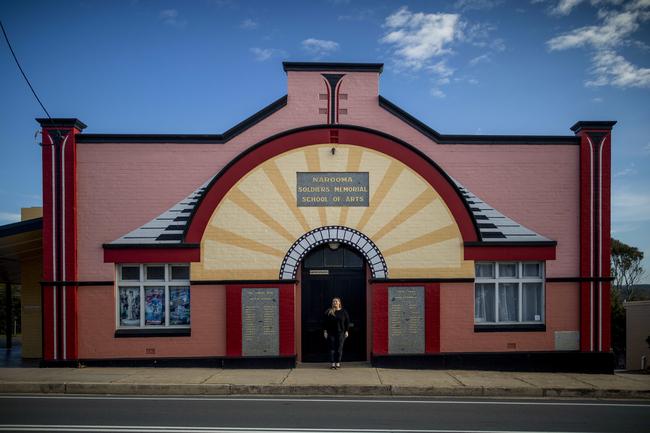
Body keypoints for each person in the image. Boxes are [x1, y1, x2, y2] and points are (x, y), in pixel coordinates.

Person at [323, 297, 350, 369]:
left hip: (341, 333)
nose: (334, 302)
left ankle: (338, 362)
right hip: (331, 333)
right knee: (332, 348)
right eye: (333, 301)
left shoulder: (344, 312)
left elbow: (347, 322)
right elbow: (325, 322)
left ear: (339, 303)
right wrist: (325, 331)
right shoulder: (329, 311)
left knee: (339, 348)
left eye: (336, 301)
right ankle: (332, 363)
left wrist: (347, 331)